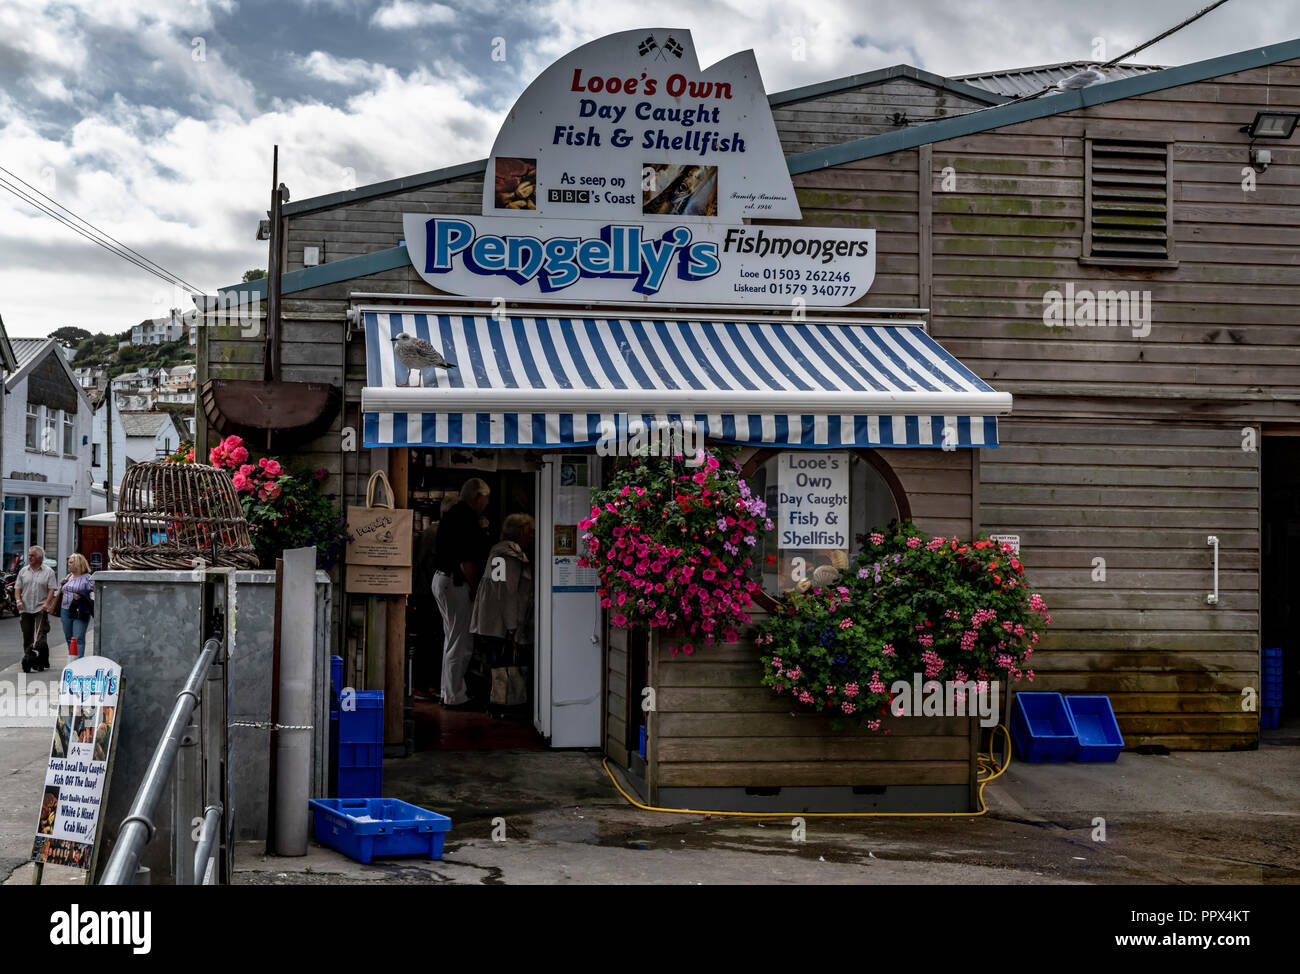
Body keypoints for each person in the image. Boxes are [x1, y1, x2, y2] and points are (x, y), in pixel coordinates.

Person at [431, 478, 491, 708]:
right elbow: (467, 561)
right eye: (486, 500)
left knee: (452, 638)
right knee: (461, 642)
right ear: (477, 497)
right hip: (456, 583)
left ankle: (448, 692)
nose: (486, 505)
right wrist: (475, 589)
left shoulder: (453, 515)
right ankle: (455, 696)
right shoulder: (466, 518)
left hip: (442, 580)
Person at [470, 514, 535, 708]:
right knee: (501, 664)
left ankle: (496, 702)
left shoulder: (498, 552)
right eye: (530, 532)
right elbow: (508, 593)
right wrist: (512, 627)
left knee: (493, 662)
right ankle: (504, 702)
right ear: (520, 532)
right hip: (499, 621)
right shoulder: (511, 556)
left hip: (489, 617)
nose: (533, 536)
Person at [16, 546, 57, 672]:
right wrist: (18, 600)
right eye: (29, 555)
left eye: (32, 555)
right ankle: (29, 660)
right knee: (27, 635)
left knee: (40, 637)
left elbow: (52, 589)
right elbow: (17, 588)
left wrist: (47, 603)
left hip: (41, 607)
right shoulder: (23, 571)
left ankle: (40, 661)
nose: (29, 557)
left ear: (39, 558)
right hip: (26, 607)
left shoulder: (48, 571)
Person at [57, 553, 95, 653]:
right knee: (69, 638)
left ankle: (79, 663)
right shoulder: (69, 576)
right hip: (65, 610)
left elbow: (93, 594)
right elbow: (63, 592)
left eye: (71, 563)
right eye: (68, 563)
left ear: (78, 564)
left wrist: (82, 594)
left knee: (78, 638)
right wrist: (62, 585)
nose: (68, 565)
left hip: (80, 610)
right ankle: (72, 661)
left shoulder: (88, 578)